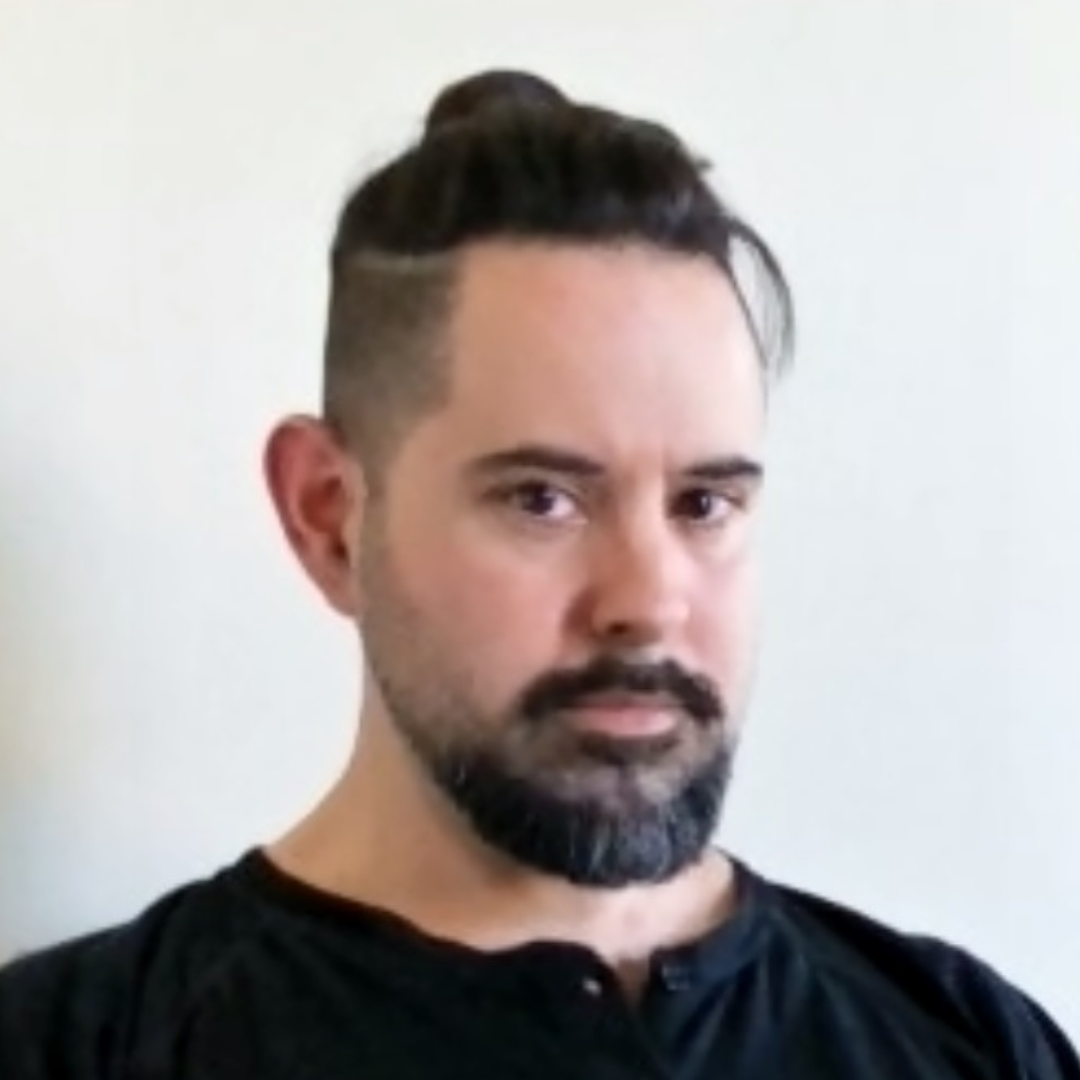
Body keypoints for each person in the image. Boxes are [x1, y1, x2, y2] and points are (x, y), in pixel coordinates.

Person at [0, 68, 1076, 1080]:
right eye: (542, 499)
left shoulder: (970, 1044)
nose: (647, 603)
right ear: (328, 517)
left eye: (704, 503)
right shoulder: (77, 1048)